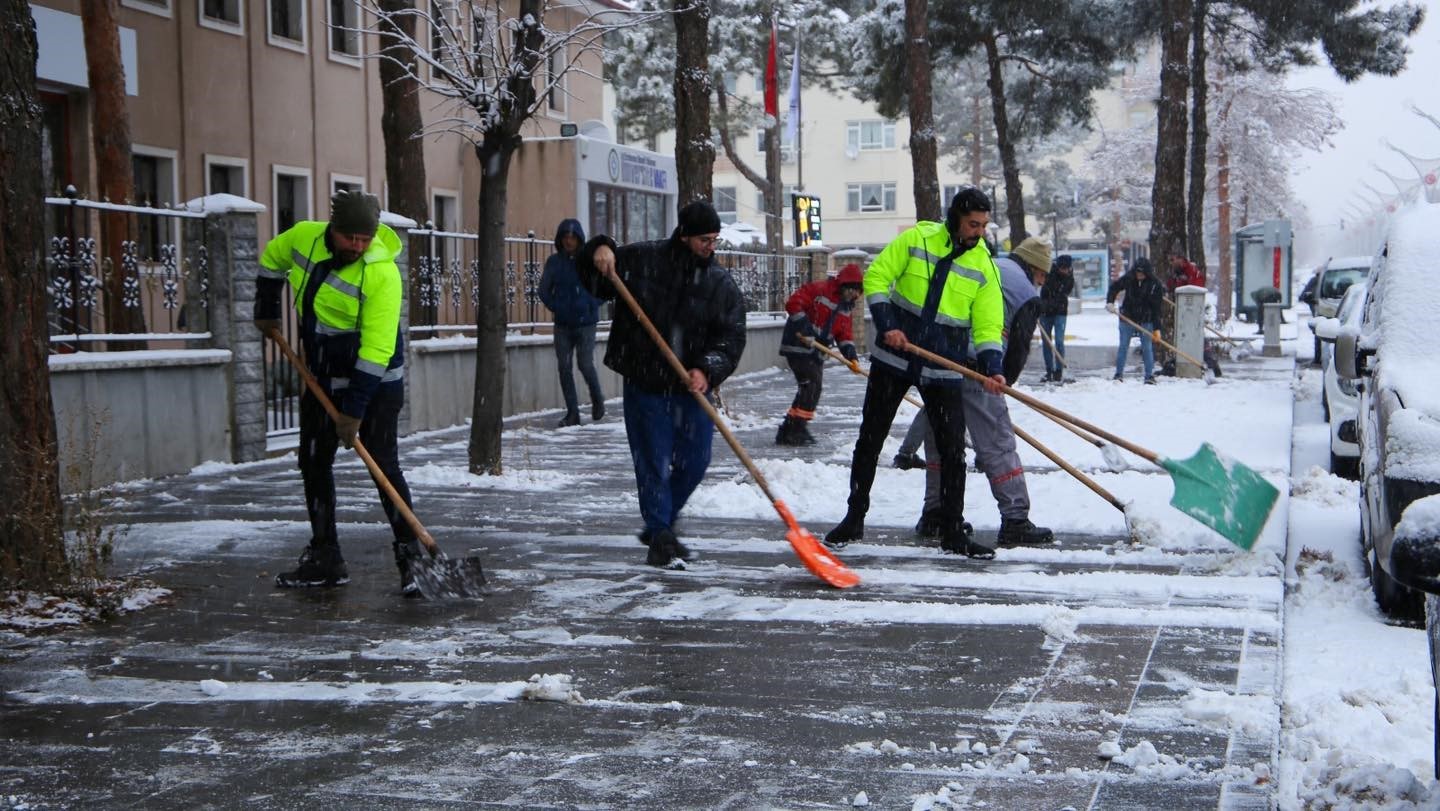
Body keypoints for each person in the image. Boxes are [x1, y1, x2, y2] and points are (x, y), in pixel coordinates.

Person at [253, 191, 422, 596]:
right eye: (350, 238)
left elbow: (378, 349)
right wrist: (266, 306)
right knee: (313, 462)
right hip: (322, 378)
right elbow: (271, 259)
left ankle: (411, 560)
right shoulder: (303, 239)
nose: (358, 247)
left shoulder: (382, 272)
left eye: (365, 239)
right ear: (333, 229)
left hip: (376, 383)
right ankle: (326, 556)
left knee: (383, 466)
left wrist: (354, 412)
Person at [824, 187, 1005, 559]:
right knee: (870, 439)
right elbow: (876, 279)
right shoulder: (916, 239)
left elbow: (988, 325)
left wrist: (992, 367)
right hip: (894, 358)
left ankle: (952, 531)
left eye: (984, 225)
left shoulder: (983, 265)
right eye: (974, 224)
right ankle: (854, 517)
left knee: (953, 451)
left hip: (942, 366)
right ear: (955, 218)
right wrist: (887, 323)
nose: (979, 232)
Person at [577, 201, 746, 568]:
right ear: (684, 234)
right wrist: (599, 248)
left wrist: (707, 369)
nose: (710, 247)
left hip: (690, 387)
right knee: (652, 460)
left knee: (697, 459)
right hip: (646, 381)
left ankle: (661, 524)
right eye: (704, 239)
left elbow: (732, 338)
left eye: (715, 240)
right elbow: (595, 278)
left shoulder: (719, 284)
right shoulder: (643, 261)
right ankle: (661, 534)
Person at [910, 236, 1054, 551]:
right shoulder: (1027, 292)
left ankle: (936, 513)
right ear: (1032, 267)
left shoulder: (982, 264)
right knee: (998, 444)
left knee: (941, 443)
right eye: (1043, 274)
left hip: (940, 358)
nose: (1042, 281)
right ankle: (1015, 519)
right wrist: (1004, 384)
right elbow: (1017, 348)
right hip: (979, 367)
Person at [775, 263, 863, 446]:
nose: (855, 295)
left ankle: (790, 429)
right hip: (798, 345)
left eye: (858, 291)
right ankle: (796, 429)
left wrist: (850, 355)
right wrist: (805, 328)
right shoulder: (820, 290)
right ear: (845, 286)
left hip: (816, 351)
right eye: (853, 290)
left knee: (809, 387)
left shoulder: (846, 307)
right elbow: (793, 304)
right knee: (811, 386)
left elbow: (844, 334)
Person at [539, 218, 606, 428]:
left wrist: (590, 303)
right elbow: (543, 290)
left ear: (579, 239)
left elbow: (604, 288)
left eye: (572, 238)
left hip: (586, 322)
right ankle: (572, 412)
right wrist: (556, 306)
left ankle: (597, 399)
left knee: (585, 363)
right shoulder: (555, 263)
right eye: (565, 238)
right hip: (563, 324)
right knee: (564, 366)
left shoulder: (588, 261)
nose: (569, 242)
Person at [1106, 257, 1165, 383]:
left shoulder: (1155, 285)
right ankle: (1118, 374)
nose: (1139, 275)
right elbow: (1114, 288)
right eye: (1137, 272)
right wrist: (1110, 302)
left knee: (1147, 347)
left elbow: (1156, 309)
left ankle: (1149, 376)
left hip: (1146, 318)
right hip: (1127, 317)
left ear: (1147, 272)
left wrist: (1157, 328)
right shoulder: (1129, 278)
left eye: (1142, 273)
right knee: (1123, 346)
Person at [1038, 253, 1075, 383]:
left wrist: (1055, 303)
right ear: (1058, 266)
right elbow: (1048, 291)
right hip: (1045, 313)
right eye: (1062, 268)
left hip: (1060, 313)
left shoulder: (1070, 277)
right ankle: (1049, 371)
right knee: (1047, 342)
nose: (1064, 271)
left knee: (1059, 342)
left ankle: (1058, 371)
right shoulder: (1049, 273)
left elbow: (1064, 292)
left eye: (1067, 269)